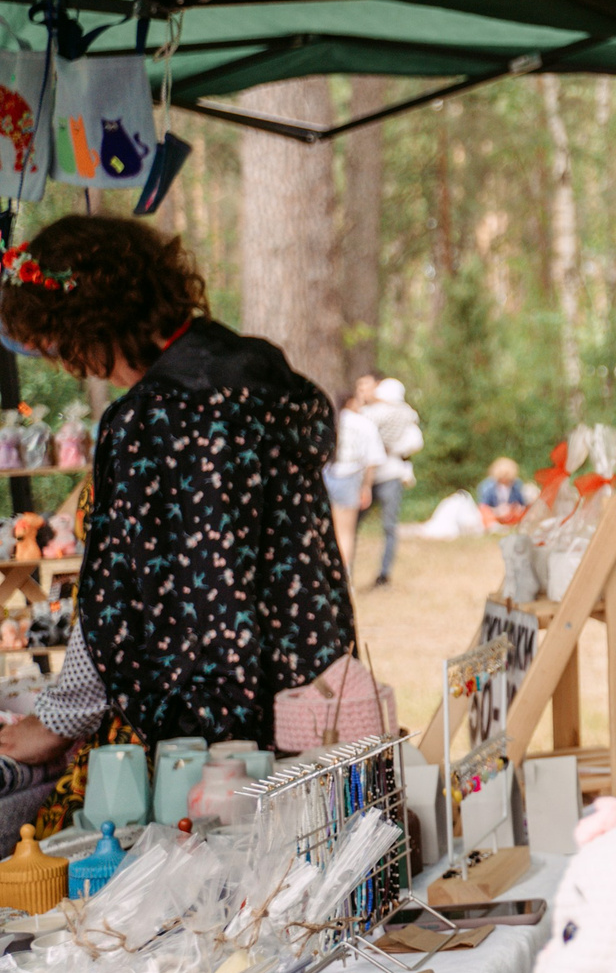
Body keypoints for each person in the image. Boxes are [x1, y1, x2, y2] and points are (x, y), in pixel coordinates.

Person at [0, 216, 354, 833]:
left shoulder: (151, 418)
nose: (67, 363)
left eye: (59, 343)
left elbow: (117, 606)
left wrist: (56, 720)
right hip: (309, 701)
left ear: (87, 322)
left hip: (206, 742)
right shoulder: (265, 375)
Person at [356, 373, 421, 586]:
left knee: (366, 525)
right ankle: (379, 573)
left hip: (380, 474)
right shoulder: (407, 415)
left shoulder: (370, 415)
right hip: (380, 475)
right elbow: (414, 443)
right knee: (386, 526)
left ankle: (377, 573)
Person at [326, 391, 385, 582]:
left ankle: (329, 572)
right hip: (350, 477)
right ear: (351, 402)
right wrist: (366, 486)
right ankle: (343, 575)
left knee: (330, 529)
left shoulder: (332, 420)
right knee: (345, 532)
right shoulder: (364, 424)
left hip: (328, 474)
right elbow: (372, 459)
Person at [477, 456, 534, 527]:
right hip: (494, 513)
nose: (505, 480)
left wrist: (514, 508)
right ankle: (493, 526)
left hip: (511, 514)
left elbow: (522, 504)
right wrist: (497, 510)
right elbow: (483, 506)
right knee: (485, 513)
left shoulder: (517, 484)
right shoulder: (487, 485)